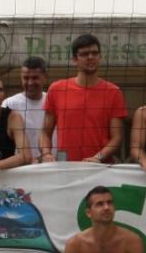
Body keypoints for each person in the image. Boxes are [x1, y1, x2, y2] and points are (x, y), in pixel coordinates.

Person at [41, 34, 128, 163]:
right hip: (65, 165)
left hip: (100, 167)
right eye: (85, 54)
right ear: (74, 59)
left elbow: (117, 138)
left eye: (94, 53)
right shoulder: (57, 89)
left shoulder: (114, 92)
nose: (91, 57)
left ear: (100, 57)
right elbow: (45, 133)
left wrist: (97, 157)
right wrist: (46, 153)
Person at [3, 56, 54, 163]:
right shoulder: (9, 104)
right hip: (21, 166)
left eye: (35, 78)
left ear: (45, 77)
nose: (30, 83)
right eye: (26, 78)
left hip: (51, 163)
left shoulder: (53, 100)